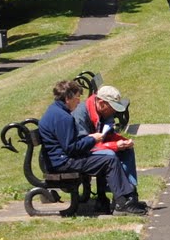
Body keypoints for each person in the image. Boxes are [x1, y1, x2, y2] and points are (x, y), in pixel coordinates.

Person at [38, 79, 144, 214]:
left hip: (61, 159)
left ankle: (126, 198)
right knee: (109, 160)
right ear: (67, 98)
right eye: (77, 97)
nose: (78, 101)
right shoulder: (63, 117)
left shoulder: (56, 111)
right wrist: (92, 139)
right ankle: (123, 202)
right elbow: (71, 149)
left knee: (108, 158)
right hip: (63, 162)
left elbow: (70, 146)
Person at [73, 84, 140, 204]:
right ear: (101, 103)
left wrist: (123, 141)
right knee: (109, 154)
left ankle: (131, 191)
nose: (114, 111)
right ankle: (121, 194)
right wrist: (114, 146)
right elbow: (83, 145)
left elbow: (108, 135)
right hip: (79, 154)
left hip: (91, 149)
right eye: (112, 107)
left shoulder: (104, 113)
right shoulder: (80, 115)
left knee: (127, 150)